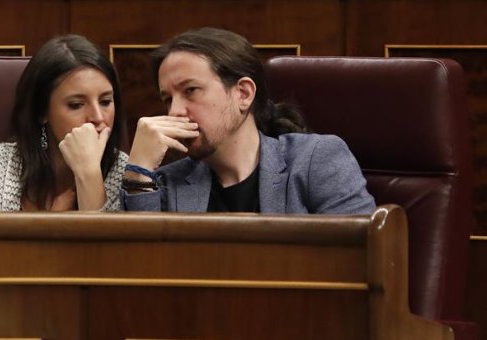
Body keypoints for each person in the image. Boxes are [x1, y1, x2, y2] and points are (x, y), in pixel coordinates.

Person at [122, 27, 375, 214]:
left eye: (190, 91)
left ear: (243, 94)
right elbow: (142, 268)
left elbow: (359, 259)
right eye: (167, 99)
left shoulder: (315, 160)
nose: (174, 111)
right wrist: (138, 173)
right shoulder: (169, 182)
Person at [0, 34, 127, 211]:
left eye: (105, 102)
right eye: (76, 105)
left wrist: (89, 176)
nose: (98, 117)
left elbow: (104, 246)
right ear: (41, 111)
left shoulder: (125, 173)